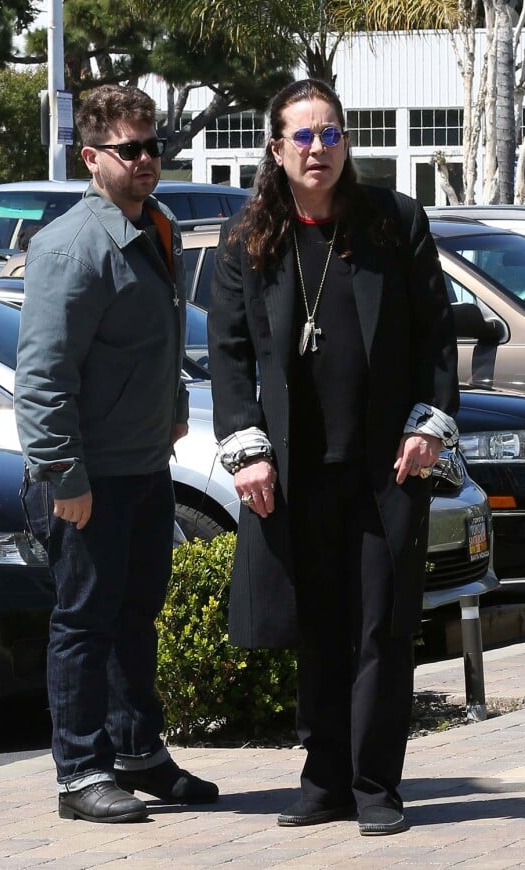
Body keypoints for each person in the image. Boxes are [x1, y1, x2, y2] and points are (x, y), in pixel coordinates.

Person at [207, 78, 459, 836]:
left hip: (389, 466)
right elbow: (228, 353)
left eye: (332, 134)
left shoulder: (394, 221)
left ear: (347, 142)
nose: (319, 148)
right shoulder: (248, 237)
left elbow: (435, 334)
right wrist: (247, 447)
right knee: (315, 623)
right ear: (277, 148)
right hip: (296, 470)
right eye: (304, 136)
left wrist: (430, 425)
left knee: (383, 623)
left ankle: (376, 785)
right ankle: (323, 779)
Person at [14, 84, 218, 824]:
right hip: (86, 477)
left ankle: (138, 753)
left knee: (136, 614)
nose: (146, 159)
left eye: (153, 145)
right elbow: (43, 375)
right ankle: (80, 775)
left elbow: (151, 344)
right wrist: (64, 474)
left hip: (141, 467)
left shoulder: (153, 226)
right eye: (129, 149)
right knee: (83, 622)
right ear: (91, 156)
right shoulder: (72, 245)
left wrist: (166, 418)